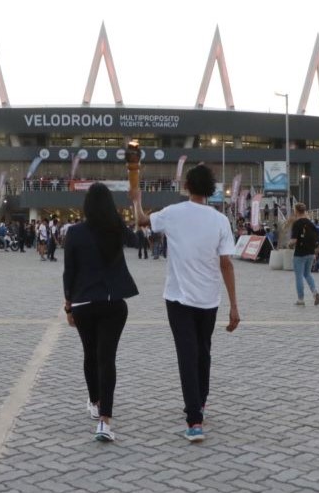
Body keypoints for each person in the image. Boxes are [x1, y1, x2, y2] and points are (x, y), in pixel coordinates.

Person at [131, 164, 240, 443]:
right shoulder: (220, 220)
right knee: (203, 352)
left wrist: (136, 200)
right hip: (210, 299)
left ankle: (195, 420)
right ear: (211, 189)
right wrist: (235, 306)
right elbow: (226, 264)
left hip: (178, 298)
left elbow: (142, 221)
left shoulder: (172, 213)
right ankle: (198, 405)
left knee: (188, 355)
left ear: (187, 186)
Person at [63, 183, 139, 442]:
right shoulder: (115, 229)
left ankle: (95, 402)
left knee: (90, 355)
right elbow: (140, 241)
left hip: (83, 304)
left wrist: (68, 305)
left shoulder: (74, 232)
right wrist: (126, 213)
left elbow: (68, 272)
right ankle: (105, 421)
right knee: (107, 359)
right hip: (113, 303)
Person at [288, 203, 319, 306]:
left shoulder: (297, 223)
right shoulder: (310, 223)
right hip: (310, 253)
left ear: (296, 211)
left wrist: (289, 244)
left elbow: (293, 240)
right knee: (308, 274)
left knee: (299, 276)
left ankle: (301, 299)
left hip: (300, 253)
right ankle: (315, 292)